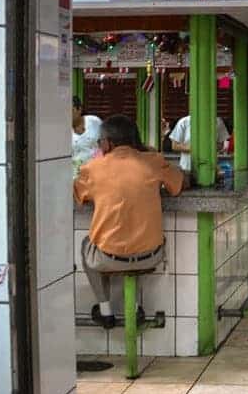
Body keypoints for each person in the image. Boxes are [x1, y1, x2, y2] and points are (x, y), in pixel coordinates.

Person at [74, 115, 185, 328]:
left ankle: (105, 310)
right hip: (151, 257)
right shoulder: (154, 161)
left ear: (107, 143)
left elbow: (79, 196)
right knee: (141, 237)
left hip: (107, 258)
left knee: (88, 245)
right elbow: (177, 186)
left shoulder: (93, 168)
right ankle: (133, 308)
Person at [72, 97, 102, 177]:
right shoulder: (61, 131)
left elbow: (104, 144)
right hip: (75, 176)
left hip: (97, 172)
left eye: (71, 110)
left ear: (79, 109)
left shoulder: (94, 121)